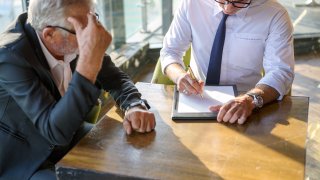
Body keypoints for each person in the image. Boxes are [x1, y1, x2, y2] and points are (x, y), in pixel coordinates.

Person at [0, 0, 156, 179]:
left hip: (69, 133)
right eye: (83, 27)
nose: (95, 31)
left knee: (128, 158)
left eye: (94, 18)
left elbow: (115, 78)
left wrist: (134, 105)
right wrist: (88, 64)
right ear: (50, 34)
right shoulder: (10, 57)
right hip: (25, 159)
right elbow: (54, 133)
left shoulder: (70, 34)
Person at [160, 0, 294, 124]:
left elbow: (280, 71)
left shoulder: (275, 14)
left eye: (239, 1)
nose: (227, 8)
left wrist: (250, 99)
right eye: (222, 0)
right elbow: (170, 51)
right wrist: (179, 76)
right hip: (198, 97)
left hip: (245, 104)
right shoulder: (192, 3)